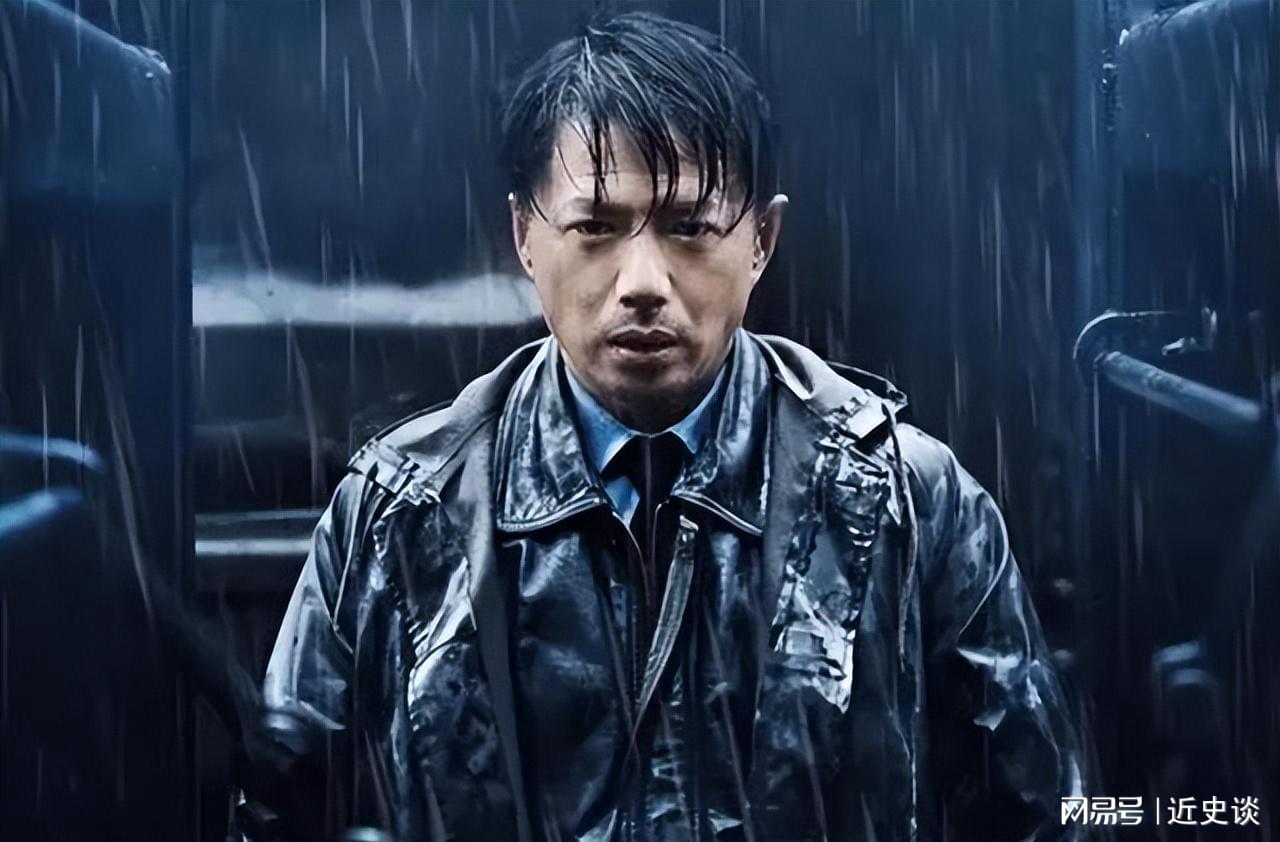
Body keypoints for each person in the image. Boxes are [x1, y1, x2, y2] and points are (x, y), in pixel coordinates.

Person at [242, 12, 1085, 842]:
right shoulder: (402, 509)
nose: (642, 281)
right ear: (525, 236)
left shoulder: (904, 497)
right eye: (595, 228)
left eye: (689, 228)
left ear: (761, 240)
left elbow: (1045, 817)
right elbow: (284, 813)